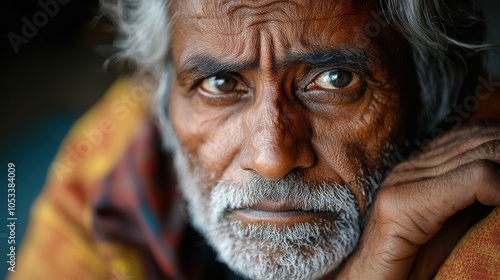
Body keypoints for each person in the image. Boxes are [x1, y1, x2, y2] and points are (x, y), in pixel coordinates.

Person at [12, 0, 500, 279]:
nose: (271, 158)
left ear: (431, 88)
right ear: (156, 91)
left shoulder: (480, 197)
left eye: (334, 80)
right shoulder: (112, 172)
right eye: (222, 85)